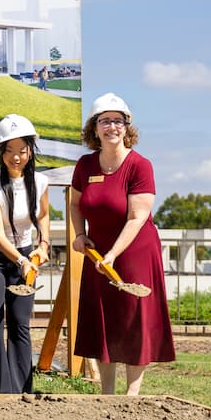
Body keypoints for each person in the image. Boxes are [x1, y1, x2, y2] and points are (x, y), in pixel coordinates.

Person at [69, 93, 174, 395]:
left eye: (118, 121)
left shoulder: (140, 166)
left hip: (134, 253)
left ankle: (132, 394)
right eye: (105, 121)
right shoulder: (85, 165)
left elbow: (137, 216)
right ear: (95, 127)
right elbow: (75, 204)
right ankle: (107, 393)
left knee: (133, 318)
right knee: (105, 318)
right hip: (98, 253)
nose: (112, 127)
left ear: (127, 127)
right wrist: (79, 235)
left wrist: (113, 254)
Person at [0, 114, 50, 393]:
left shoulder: (40, 182)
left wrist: (43, 245)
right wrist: (21, 261)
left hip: (26, 254)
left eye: (22, 150)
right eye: (10, 150)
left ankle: (21, 389)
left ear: (31, 150)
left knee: (20, 322)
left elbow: (42, 216)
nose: (16, 157)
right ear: (0, 152)